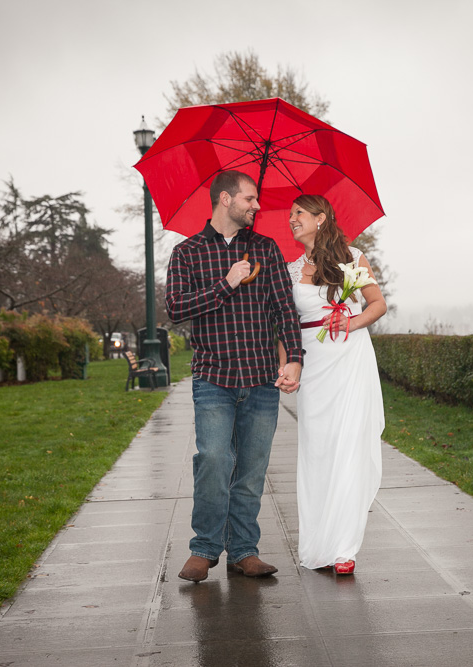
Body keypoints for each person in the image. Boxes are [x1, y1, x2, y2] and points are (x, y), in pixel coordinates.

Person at [165, 170, 304, 583]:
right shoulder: (187, 253)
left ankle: (243, 550)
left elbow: (284, 310)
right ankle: (204, 548)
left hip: (261, 378)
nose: (256, 205)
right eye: (250, 198)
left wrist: (294, 358)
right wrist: (226, 283)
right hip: (214, 378)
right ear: (225, 199)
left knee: (251, 467)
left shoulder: (266, 248)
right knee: (212, 458)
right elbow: (176, 309)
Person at [285, 194, 387, 575]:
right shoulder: (292, 269)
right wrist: (287, 367)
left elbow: (376, 304)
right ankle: (318, 543)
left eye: (298, 213)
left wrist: (350, 322)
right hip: (313, 362)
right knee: (317, 451)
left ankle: (344, 548)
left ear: (321, 217)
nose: (291, 219)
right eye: (290, 214)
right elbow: (286, 325)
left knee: (347, 447)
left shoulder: (352, 258)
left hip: (349, 359)